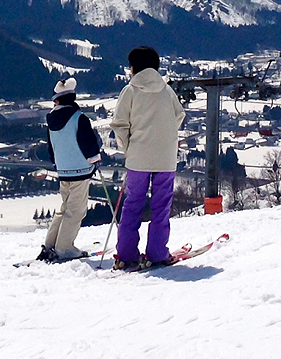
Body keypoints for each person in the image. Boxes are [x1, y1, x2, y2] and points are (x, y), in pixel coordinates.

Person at [108, 46, 185, 271]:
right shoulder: (167, 90)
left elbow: (120, 124)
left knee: (132, 205)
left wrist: (128, 148)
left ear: (133, 68)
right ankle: (158, 253)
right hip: (165, 157)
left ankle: (126, 254)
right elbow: (179, 115)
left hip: (138, 157)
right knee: (161, 205)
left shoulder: (130, 91)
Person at [37, 77, 102, 262]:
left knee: (64, 208)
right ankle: (65, 247)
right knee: (76, 210)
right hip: (80, 170)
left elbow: (51, 147)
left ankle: (51, 243)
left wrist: (57, 164)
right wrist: (95, 158)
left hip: (63, 170)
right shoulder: (78, 117)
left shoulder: (51, 120)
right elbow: (88, 142)